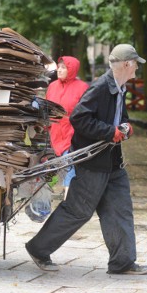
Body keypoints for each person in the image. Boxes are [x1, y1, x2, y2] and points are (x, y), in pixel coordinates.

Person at [25, 43, 147, 275]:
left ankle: (122, 262)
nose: (137, 69)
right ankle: (38, 248)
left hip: (112, 162)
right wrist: (109, 132)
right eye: (135, 64)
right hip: (92, 162)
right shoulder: (101, 87)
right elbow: (80, 119)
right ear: (126, 64)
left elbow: (118, 116)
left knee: (119, 208)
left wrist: (125, 126)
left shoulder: (120, 87)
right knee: (77, 211)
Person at [46, 56, 88, 200]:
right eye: (59, 66)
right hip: (55, 133)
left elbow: (85, 113)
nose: (59, 69)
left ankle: (68, 200)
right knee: (58, 169)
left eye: (64, 67)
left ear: (71, 70)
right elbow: (47, 108)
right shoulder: (52, 86)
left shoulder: (82, 87)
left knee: (70, 166)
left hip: (72, 133)